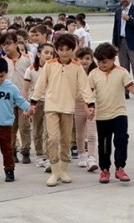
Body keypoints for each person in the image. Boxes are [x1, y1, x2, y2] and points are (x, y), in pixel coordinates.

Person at [29, 33, 95, 187]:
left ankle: (64, 169)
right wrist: (33, 102)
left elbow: (84, 87)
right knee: (52, 138)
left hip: (68, 108)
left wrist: (90, 104)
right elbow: (40, 84)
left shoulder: (77, 67)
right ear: (56, 50)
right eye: (61, 49)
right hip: (51, 106)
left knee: (65, 140)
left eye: (67, 49)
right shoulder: (50, 65)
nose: (64, 53)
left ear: (73, 50)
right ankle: (54, 170)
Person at [91, 43, 134, 183]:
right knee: (104, 144)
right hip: (102, 115)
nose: (102, 65)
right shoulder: (93, 74)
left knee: (121, 141)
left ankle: (120, 168)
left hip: (119, 113)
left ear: (114, 58)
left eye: (105, 62)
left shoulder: (122, 72)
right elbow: (89, 93)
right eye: (99, 62)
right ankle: (105, 170)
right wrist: (90, 106)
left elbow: (132, 88)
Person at [1, 32, 33, 164]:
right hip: (8, 99)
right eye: (3, 45)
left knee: (24, 125)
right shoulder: (2, 61)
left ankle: (25, 150)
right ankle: (12, 150)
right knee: (11, 126)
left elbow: (32, 77)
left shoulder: (27, 59)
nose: (6, 47)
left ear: (15, 43)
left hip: (23, 97)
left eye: (8, 44)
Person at [23, 42, 55, 169]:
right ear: (39, 54)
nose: (49, 55)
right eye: (46, 52)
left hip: (50, 101)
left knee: (49, 131)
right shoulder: (31, 70)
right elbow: (25, 89)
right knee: (37, 130)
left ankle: (48, 156)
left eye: (51, 53)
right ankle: (39, 155)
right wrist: (27, 105)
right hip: (36, 102)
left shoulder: (54, 69)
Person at [75, 47, 99, 172]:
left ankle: (91, 156)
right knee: (80, 134)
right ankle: (81, 154)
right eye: (81, 58)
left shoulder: (95, 72)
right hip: (77, 105)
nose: (84, 61)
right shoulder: (73, 71)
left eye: (87, 58)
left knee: (91, 133)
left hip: (92, 105)